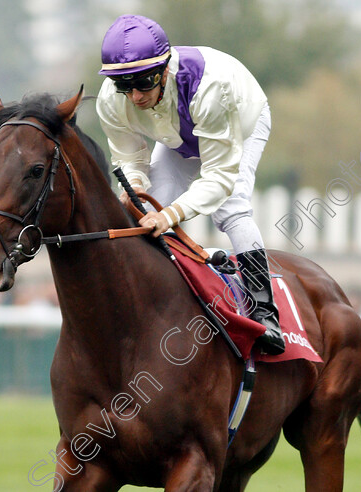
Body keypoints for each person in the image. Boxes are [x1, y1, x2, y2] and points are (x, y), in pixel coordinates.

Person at [96, 14, 284, 355]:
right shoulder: (111, 99)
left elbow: (219, 178)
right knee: (150, 205)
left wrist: (168, 216)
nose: (135, 96)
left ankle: (265, 311)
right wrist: (136, 188)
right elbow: (129, 159)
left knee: (231, 208)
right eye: (125, 86)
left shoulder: (211, 89)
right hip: (175, 132)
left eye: (143, 82)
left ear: (164, 69)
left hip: (240, 118)